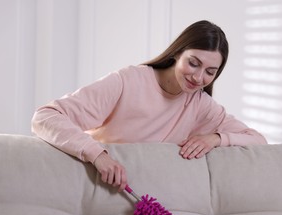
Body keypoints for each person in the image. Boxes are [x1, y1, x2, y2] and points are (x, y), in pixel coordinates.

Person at [31, 20, 267, 192]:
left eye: (210, 72)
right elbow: (45, 117)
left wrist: (215, 138)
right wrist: (99, 156)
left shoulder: (201, 105)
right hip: (97, 184)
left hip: (145, 195)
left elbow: (257, 140)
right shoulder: (128, 81)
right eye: (193, 63)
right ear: (177, 54)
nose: (198, 78)